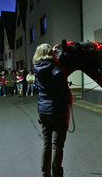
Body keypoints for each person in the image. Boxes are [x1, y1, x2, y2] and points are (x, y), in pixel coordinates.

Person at [33, 43, 72, 177]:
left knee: (47, 143)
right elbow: (63, 91)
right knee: (57, 145)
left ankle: (45, 173)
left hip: (43, 110)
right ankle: (56, 173)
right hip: (57, 110)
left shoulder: (36, 68)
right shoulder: (56, 69)